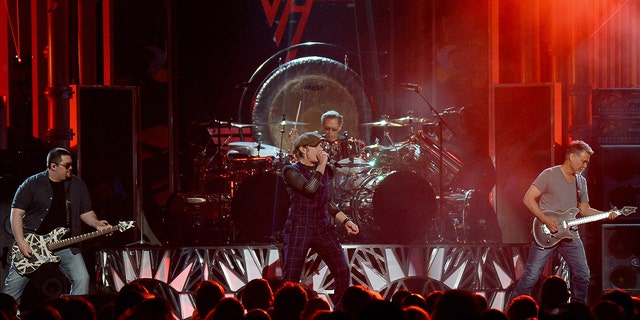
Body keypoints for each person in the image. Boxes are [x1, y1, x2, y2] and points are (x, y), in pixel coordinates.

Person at [510, 140, 618, 305]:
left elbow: (584, 209)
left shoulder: (580, 182)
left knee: (583, 274)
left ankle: (577, 309)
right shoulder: (549, 174)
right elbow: (528, 199)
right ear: (572, 157)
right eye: (583, 161)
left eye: (587, 162)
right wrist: (545, 219)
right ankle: (514, 309)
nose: (585, 166)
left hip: (570, 235)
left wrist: (606, 214)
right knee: (532, 275)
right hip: (546, 233)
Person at [2, 147, 112, 302]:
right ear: (53, 166)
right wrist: (21, 242)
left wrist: (97, 224)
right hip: (34, 245)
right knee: (12, 291)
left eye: (72, 164)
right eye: (67, 165)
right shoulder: (32, 184)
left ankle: (74, 313)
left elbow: (86, 213)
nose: (71, 168)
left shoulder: (77, 185)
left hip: (65, 244)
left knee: (82, 278)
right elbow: (16, 214)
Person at [281, 132, 359, 304]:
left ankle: (341, 311)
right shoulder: (290, 171)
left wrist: (346, 220)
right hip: (299, 228)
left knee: (342, 269)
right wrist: (322, 164)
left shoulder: (325, 170)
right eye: (317, 146)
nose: (321, 150)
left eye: (322, 146)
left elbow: (327, 202)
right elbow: (310, 189)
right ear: (303, 149)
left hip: (322, 228)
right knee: (291, 279)